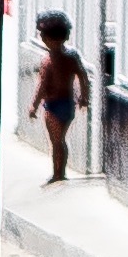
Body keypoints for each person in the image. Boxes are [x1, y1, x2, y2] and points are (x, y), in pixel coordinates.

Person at [31, 10, 88, 184]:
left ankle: (58, 173)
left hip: (53, 104)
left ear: (47, 38)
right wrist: (84, 96)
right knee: (60, 140)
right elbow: (83, 76)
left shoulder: (47, 61)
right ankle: (59, 171)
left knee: (56, 141)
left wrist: (33, 105)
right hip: (68, 103)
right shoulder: (72, 57)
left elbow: (42, 86)